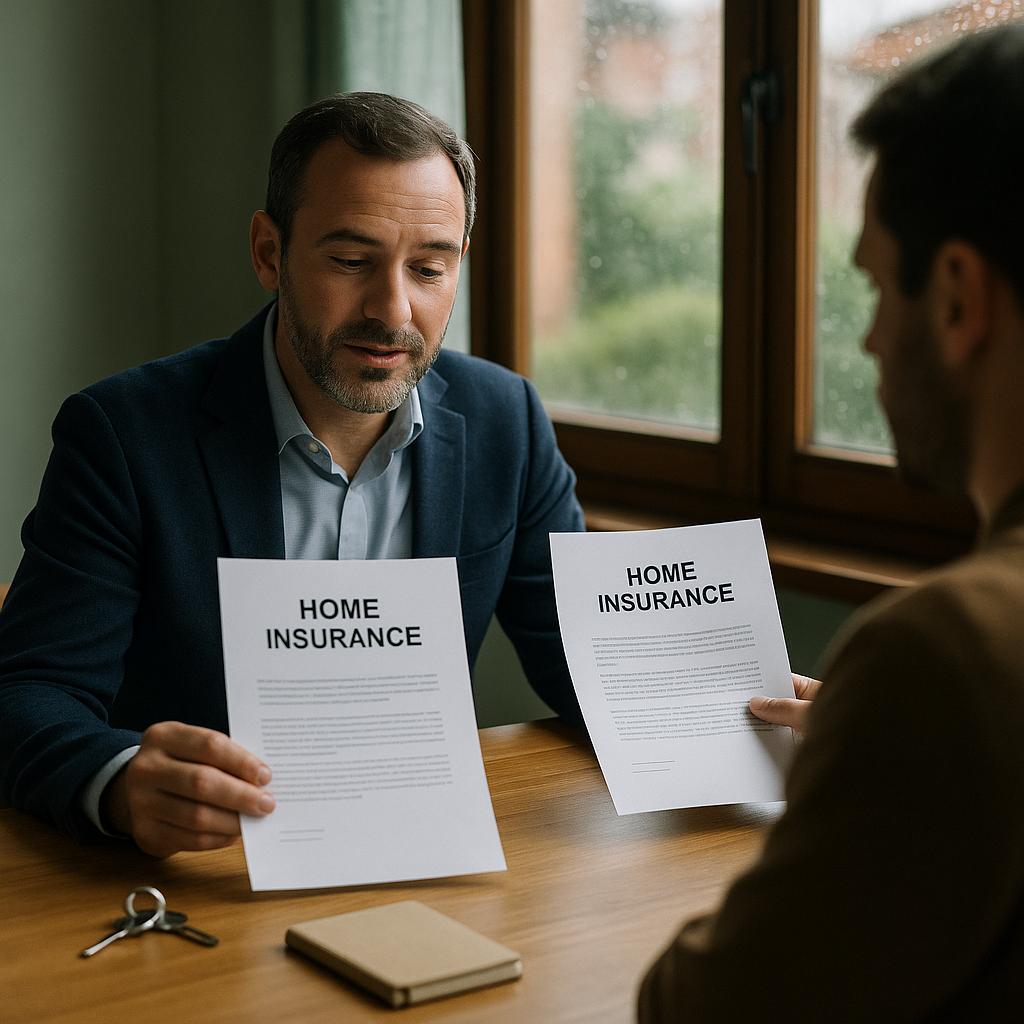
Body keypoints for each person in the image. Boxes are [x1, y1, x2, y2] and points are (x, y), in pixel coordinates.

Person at [0, 93, 583, 858]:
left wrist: (764, 715)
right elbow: (27, 691)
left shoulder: (506, 419)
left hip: (420, 852)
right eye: (350, 261)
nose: (394, 310)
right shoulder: (125, 435)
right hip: (202, 871)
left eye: (429, 267)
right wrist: (117, 780)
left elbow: (590, 659)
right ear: (269, 252)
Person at [639, 24, 1024, 1020]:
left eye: (869, 284)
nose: (864, 338)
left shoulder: (947, 653)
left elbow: (699, 1006)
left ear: (955, 298)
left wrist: (870, 775)